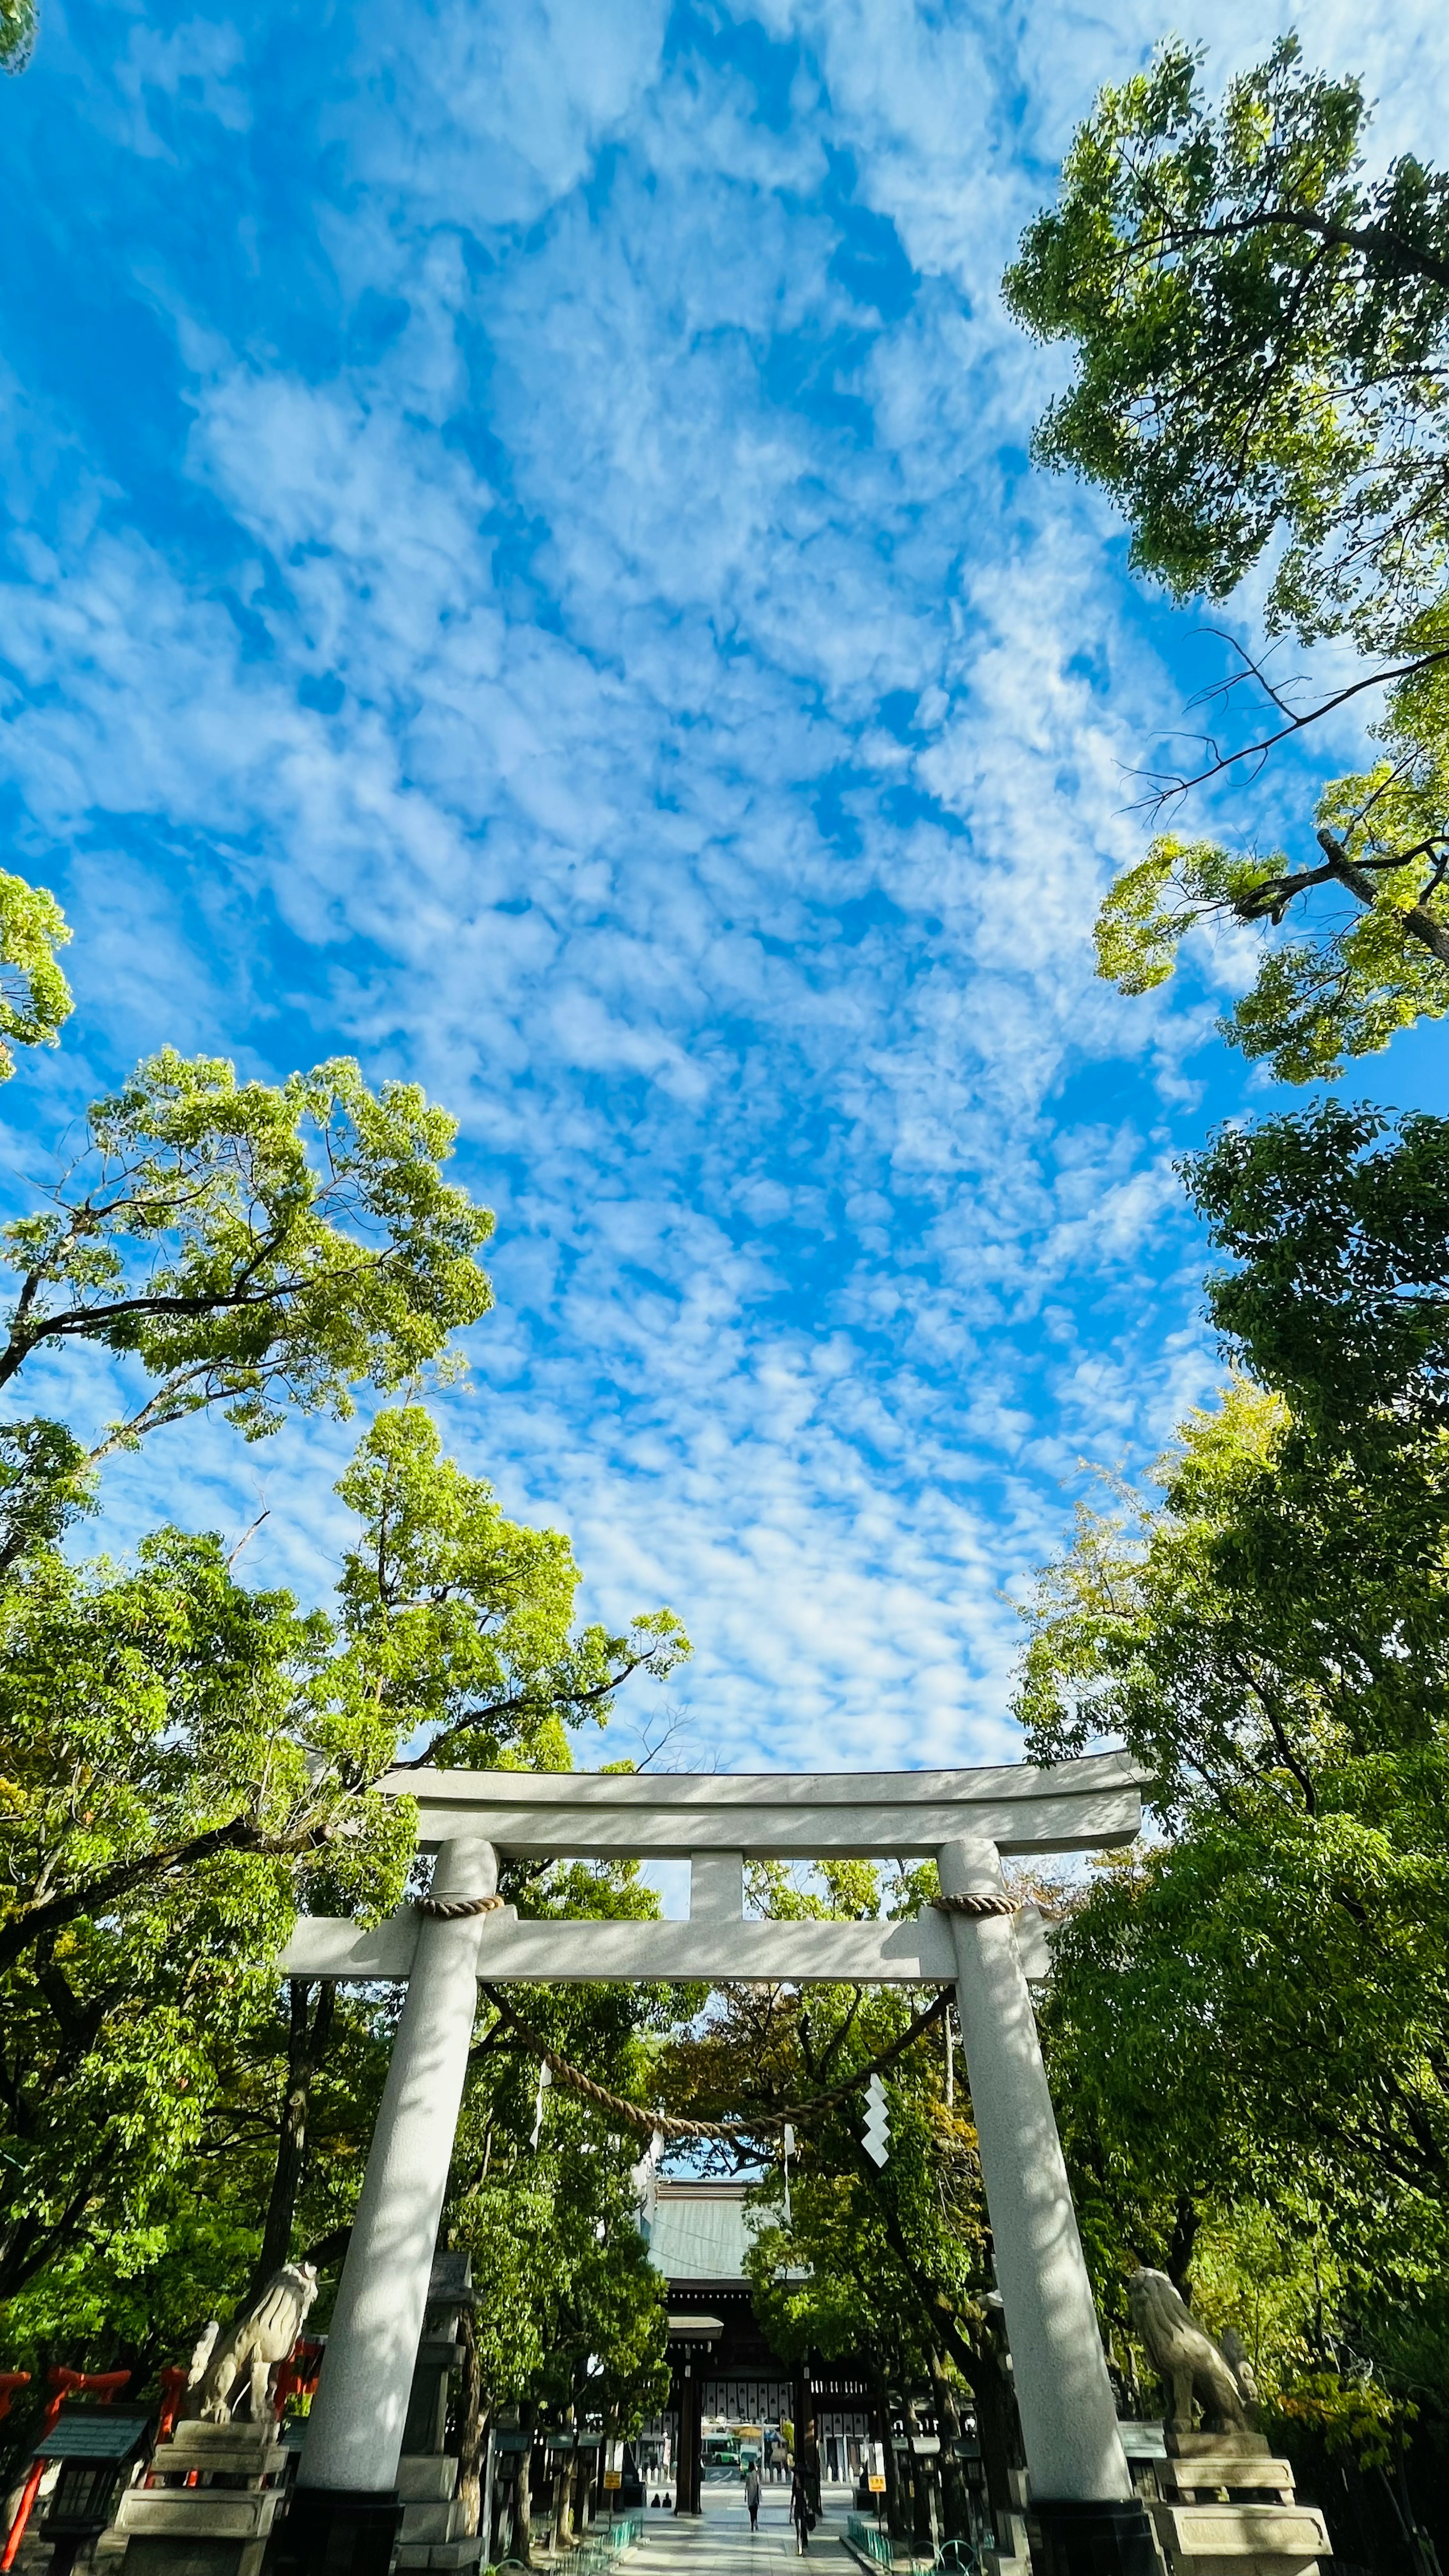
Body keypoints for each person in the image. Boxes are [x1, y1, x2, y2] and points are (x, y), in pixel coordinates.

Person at [790, 2464, 812, 2554]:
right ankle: (799, 2540)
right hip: (797, 2507)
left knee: (803, 2525)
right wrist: (791, 2507)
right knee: (797, 2525)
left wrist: (808, 2507)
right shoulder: (795, 2485)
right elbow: (793, 2495)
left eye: (797, 2475)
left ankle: (804, 2541)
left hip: (803, 2507)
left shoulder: (804, 2487)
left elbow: (807, 2498)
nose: (795, 2477)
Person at [746, 2465, 761, 2533]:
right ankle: (756, 2521)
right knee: (756, 2509)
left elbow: (747, 2486)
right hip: (755, 2494)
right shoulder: (756, 2475)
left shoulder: (748, 2475)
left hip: (750, 2495)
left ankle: (752, 2525)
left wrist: (745, 2496)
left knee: (751, 2510)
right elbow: (758, 2485)